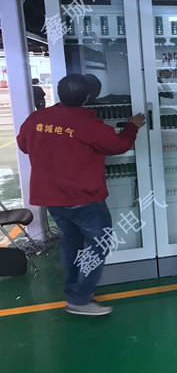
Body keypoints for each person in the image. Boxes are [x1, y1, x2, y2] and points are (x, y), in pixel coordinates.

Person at [17, 74, 145, 315]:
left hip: (52, 198)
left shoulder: (37, 119)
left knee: (70, 243)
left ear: (58, 92)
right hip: (83, 199)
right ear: (88, 97)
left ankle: (73, 293)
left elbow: (24, 145)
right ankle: (81, 298)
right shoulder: (88, 124)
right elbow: (118, 145)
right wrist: (131, 127)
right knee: (99, 243)